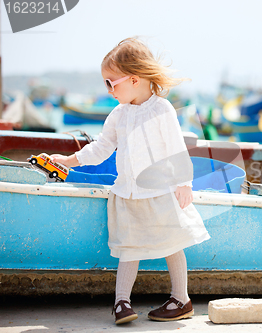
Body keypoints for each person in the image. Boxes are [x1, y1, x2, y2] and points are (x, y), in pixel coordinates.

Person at [51, 37, 210, 325]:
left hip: (160, 191)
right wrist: (69, 161)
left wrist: (184, 182)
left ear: (134, 80)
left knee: (172, 243)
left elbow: (176, 148)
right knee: (129, 248)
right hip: (127, 193)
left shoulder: (161, 110)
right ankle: (121, 302)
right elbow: (100, 148)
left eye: (111, 83)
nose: (108, 90)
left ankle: (181, 298)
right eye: (105, 84)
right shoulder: (118, 115)